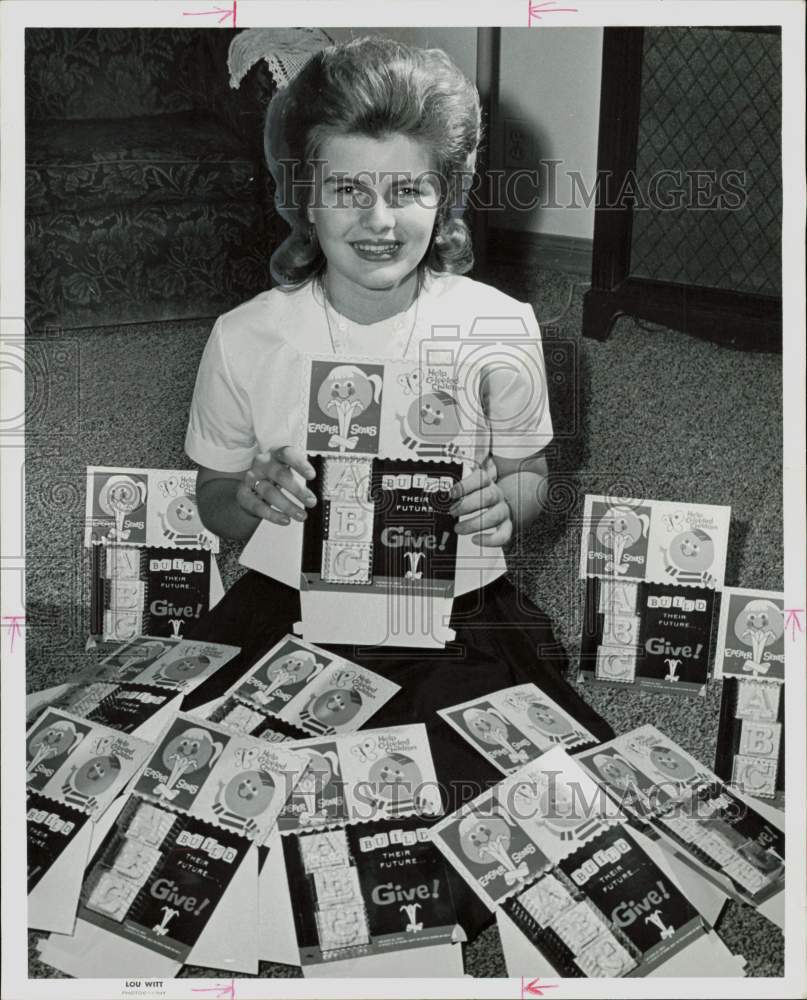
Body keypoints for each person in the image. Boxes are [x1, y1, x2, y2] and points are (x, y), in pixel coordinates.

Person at [183, 35, 612, 939]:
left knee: (460, 827)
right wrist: (249, 497)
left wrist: (508, 500)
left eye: (407, 189)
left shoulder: (498, 325)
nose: (379, 219)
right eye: (347, 189)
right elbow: (212, 497)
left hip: (449, 611)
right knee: (205, 797)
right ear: (303, 196)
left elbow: (528, 476)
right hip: (288, 606)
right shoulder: (245, 336)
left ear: (445, 197)